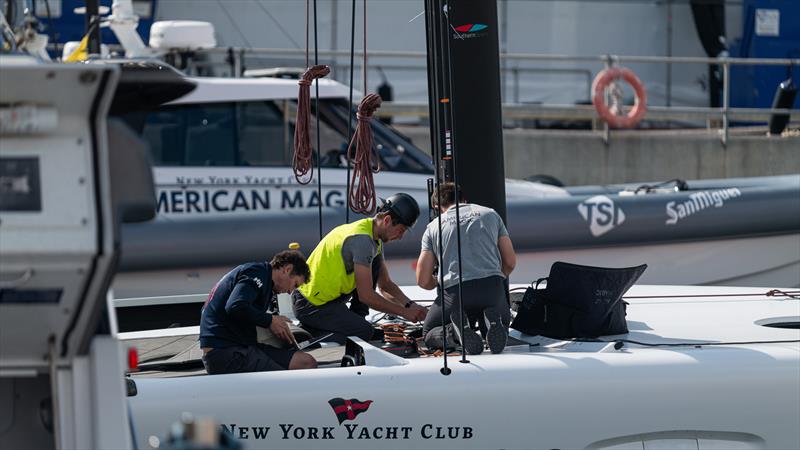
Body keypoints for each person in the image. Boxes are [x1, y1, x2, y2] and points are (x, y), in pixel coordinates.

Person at [292, 193, 428, 344]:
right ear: (387, 220)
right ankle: (307, 335)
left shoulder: (373, 236)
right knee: (363, 332)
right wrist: (404, 312)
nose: (400, 237)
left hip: (326, 300)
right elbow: (366, 296)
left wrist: (411, 306)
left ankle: (355, 320)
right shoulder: (362, 240)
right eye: (401, 230)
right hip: (311, 304)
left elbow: (385, 285)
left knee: (374, 264)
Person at [416, 182, 516, 355]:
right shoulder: (491, 214)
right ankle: (490, 323)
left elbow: (423, 281)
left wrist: (437, 281)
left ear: (437, 207)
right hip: (492, 289)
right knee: (500, 326)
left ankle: (455, 333)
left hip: (455, 294)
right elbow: (510, 262)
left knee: (429, 333)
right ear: (464, 199)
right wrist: (497, 278)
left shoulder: (433, 227)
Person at [200, 250, 318, 374]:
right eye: (294, 284)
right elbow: (235, 305)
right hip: (227, 352)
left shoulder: (262, 278)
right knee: (286, 380)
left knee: (306, 362)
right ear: (287, 269)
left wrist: (274, 324)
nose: (290, 292)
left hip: (240, 347)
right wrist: (270, 321)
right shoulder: (257, 272)